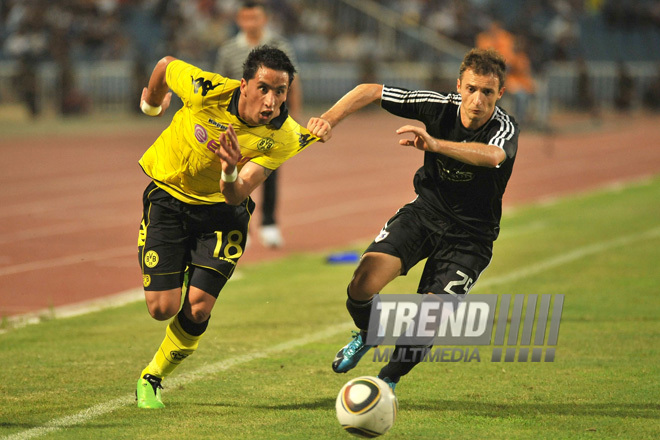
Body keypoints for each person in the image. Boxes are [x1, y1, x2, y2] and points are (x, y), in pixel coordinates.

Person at [307, 48, 519, 391]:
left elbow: (494, 156)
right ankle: (368, 332)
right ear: (459, 86)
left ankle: (386, 381)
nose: (477, 100)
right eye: (471, 89)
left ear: (500, 93)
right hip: (426, 213)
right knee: (363, 282)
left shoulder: (504, 127)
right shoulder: (436, 104)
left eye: (487, 92)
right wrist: (328, 119)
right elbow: (370, 90)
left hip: (471, 236)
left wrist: (436, 145)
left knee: (428, 319)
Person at [135, 45, 325, 409]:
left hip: (223, 211)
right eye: (264, 88)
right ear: (244, 85)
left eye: (281, 91)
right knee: (161, 308)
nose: (271, 100)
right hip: (169, 197)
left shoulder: (283, 136)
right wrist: (152, 102)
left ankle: (152, 376)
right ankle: (182, 272)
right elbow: (164, 65)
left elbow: (237, 194)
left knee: (199, 308)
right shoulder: (205, 89)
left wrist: (229, 169)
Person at [214, 0, 303, 248]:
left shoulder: (279, 45)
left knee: (268, 172)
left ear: (264, 19)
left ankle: (269, 223)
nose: (251, 23)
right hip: (236, 122)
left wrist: (293, 118)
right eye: (246, 18)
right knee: (232, 171)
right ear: (239, 20)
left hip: (271, 120)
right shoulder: (228, 50)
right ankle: (238, 225)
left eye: (256, 18)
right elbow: (219, 85)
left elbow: (293, 82)